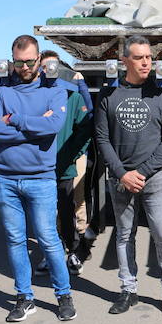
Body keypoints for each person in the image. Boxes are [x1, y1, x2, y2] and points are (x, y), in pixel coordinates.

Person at [0, 35, 76, 322]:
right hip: (5, 178)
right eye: (19, 62)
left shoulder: (55, 90)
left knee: (48, 239)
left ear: (39, 59)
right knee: (15, 240)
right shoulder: (0, 92)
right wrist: (34, 127)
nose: (24, 67)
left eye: (29, 61)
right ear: (12, 61)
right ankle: (24, 297)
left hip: (41, 178)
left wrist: (14, 120)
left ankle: (64, 295)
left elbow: (54, 125)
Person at [95, 35, 162, 316]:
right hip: (120, 180)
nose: (146, 62)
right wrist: (122, 174)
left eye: (148, 57)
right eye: (139, 57)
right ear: (124, 61)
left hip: (153, 178)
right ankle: (128, 290)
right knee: (124, 236)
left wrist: (139, 173)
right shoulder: (109, 96)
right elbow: (102, 139)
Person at [35, 50, 93, 276]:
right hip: (39, 169)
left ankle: (73, 252)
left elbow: (86, 127)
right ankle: (50, 255)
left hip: (65, 167)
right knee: (44, 216)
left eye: (54, 66)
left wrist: (73, 153)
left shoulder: (73, 97)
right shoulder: (34, 96)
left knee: (68, 211)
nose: (49, 71)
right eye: (45, 66)